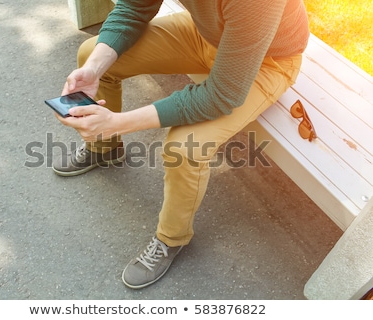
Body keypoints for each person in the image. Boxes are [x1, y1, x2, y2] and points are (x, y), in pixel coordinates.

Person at [52, 0, 309, 289]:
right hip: (206, 34)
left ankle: (171, 238)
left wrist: (118, 121)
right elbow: (134, 8)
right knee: (91, 53)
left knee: (185, 148)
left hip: (267, 60)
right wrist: (94, 68)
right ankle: (105, 147)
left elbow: (221, 96)